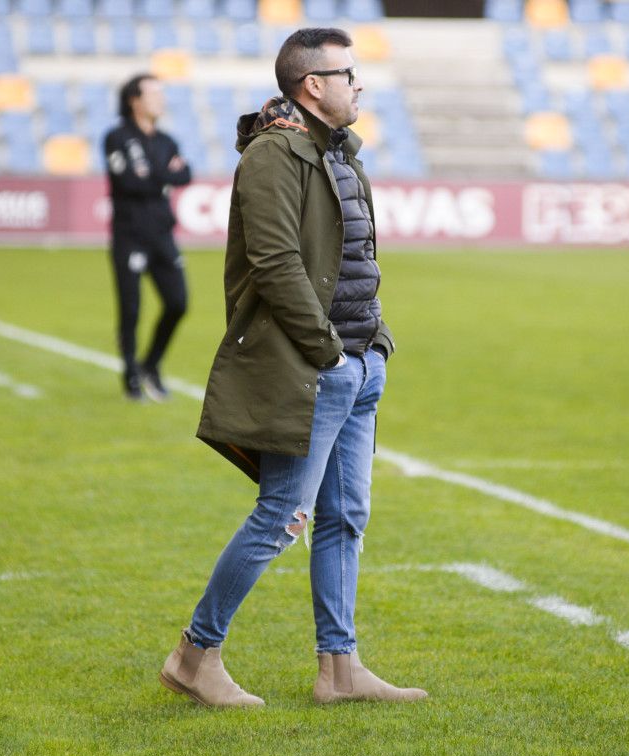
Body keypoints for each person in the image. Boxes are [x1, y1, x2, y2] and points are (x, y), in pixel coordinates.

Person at [158, 28, 427, 708]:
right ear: (313, 84)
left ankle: (339, 668)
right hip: (318, 368)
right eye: (347, 73)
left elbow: (356, 256)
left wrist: (374, 343)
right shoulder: (275, 155)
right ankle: (195, 653)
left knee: (346, 517)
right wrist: (330, 353)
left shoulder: (338, 150)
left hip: (360, 365)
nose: (357, 84)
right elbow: (276, 263)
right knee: (281, 515)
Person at [103, 73, 192, 402]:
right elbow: (127, 183)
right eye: (154, 93)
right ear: (134, 100)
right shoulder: (116, 137)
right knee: (131, 309)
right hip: (129, 236)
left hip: (162, 236)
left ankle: (150, 365)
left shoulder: (167, 140)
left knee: (178, 303)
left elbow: (185, 174)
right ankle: (130, 376)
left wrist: (152, 175)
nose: (161, 99)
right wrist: (163, 174)